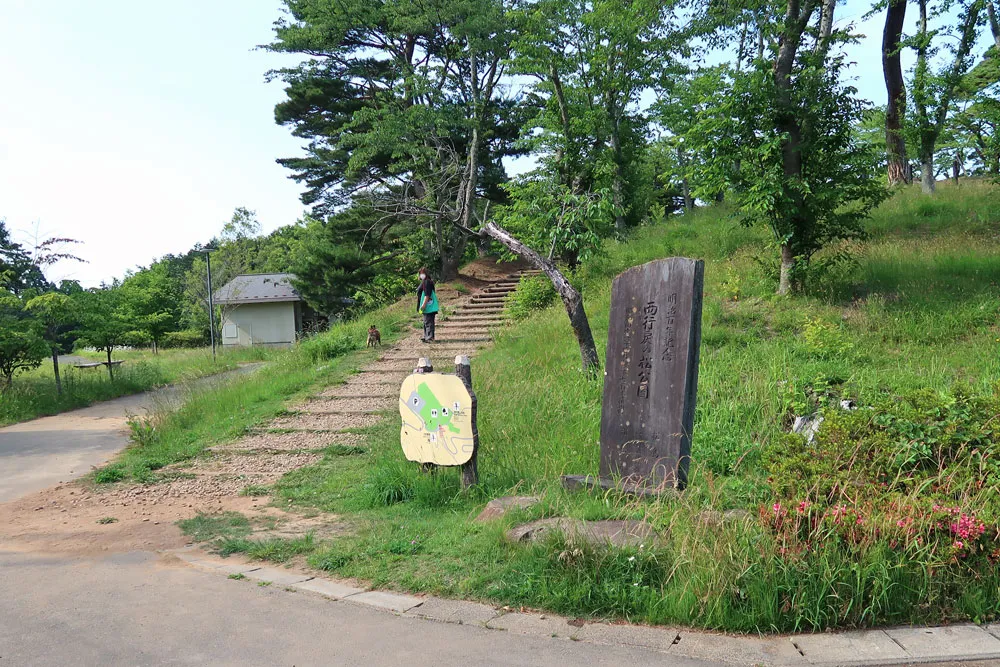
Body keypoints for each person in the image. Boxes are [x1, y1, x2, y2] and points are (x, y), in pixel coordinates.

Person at [416, 268, 439, 343]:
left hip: (428, 305)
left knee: (428, 321)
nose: (421, 275)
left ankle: (430, 337)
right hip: (428, 305)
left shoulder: (427, 282)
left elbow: (427, 294)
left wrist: (423, 305)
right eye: (420, 273)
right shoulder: (425, 282)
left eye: (422, 273)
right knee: (426, 321)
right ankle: (427, 336)